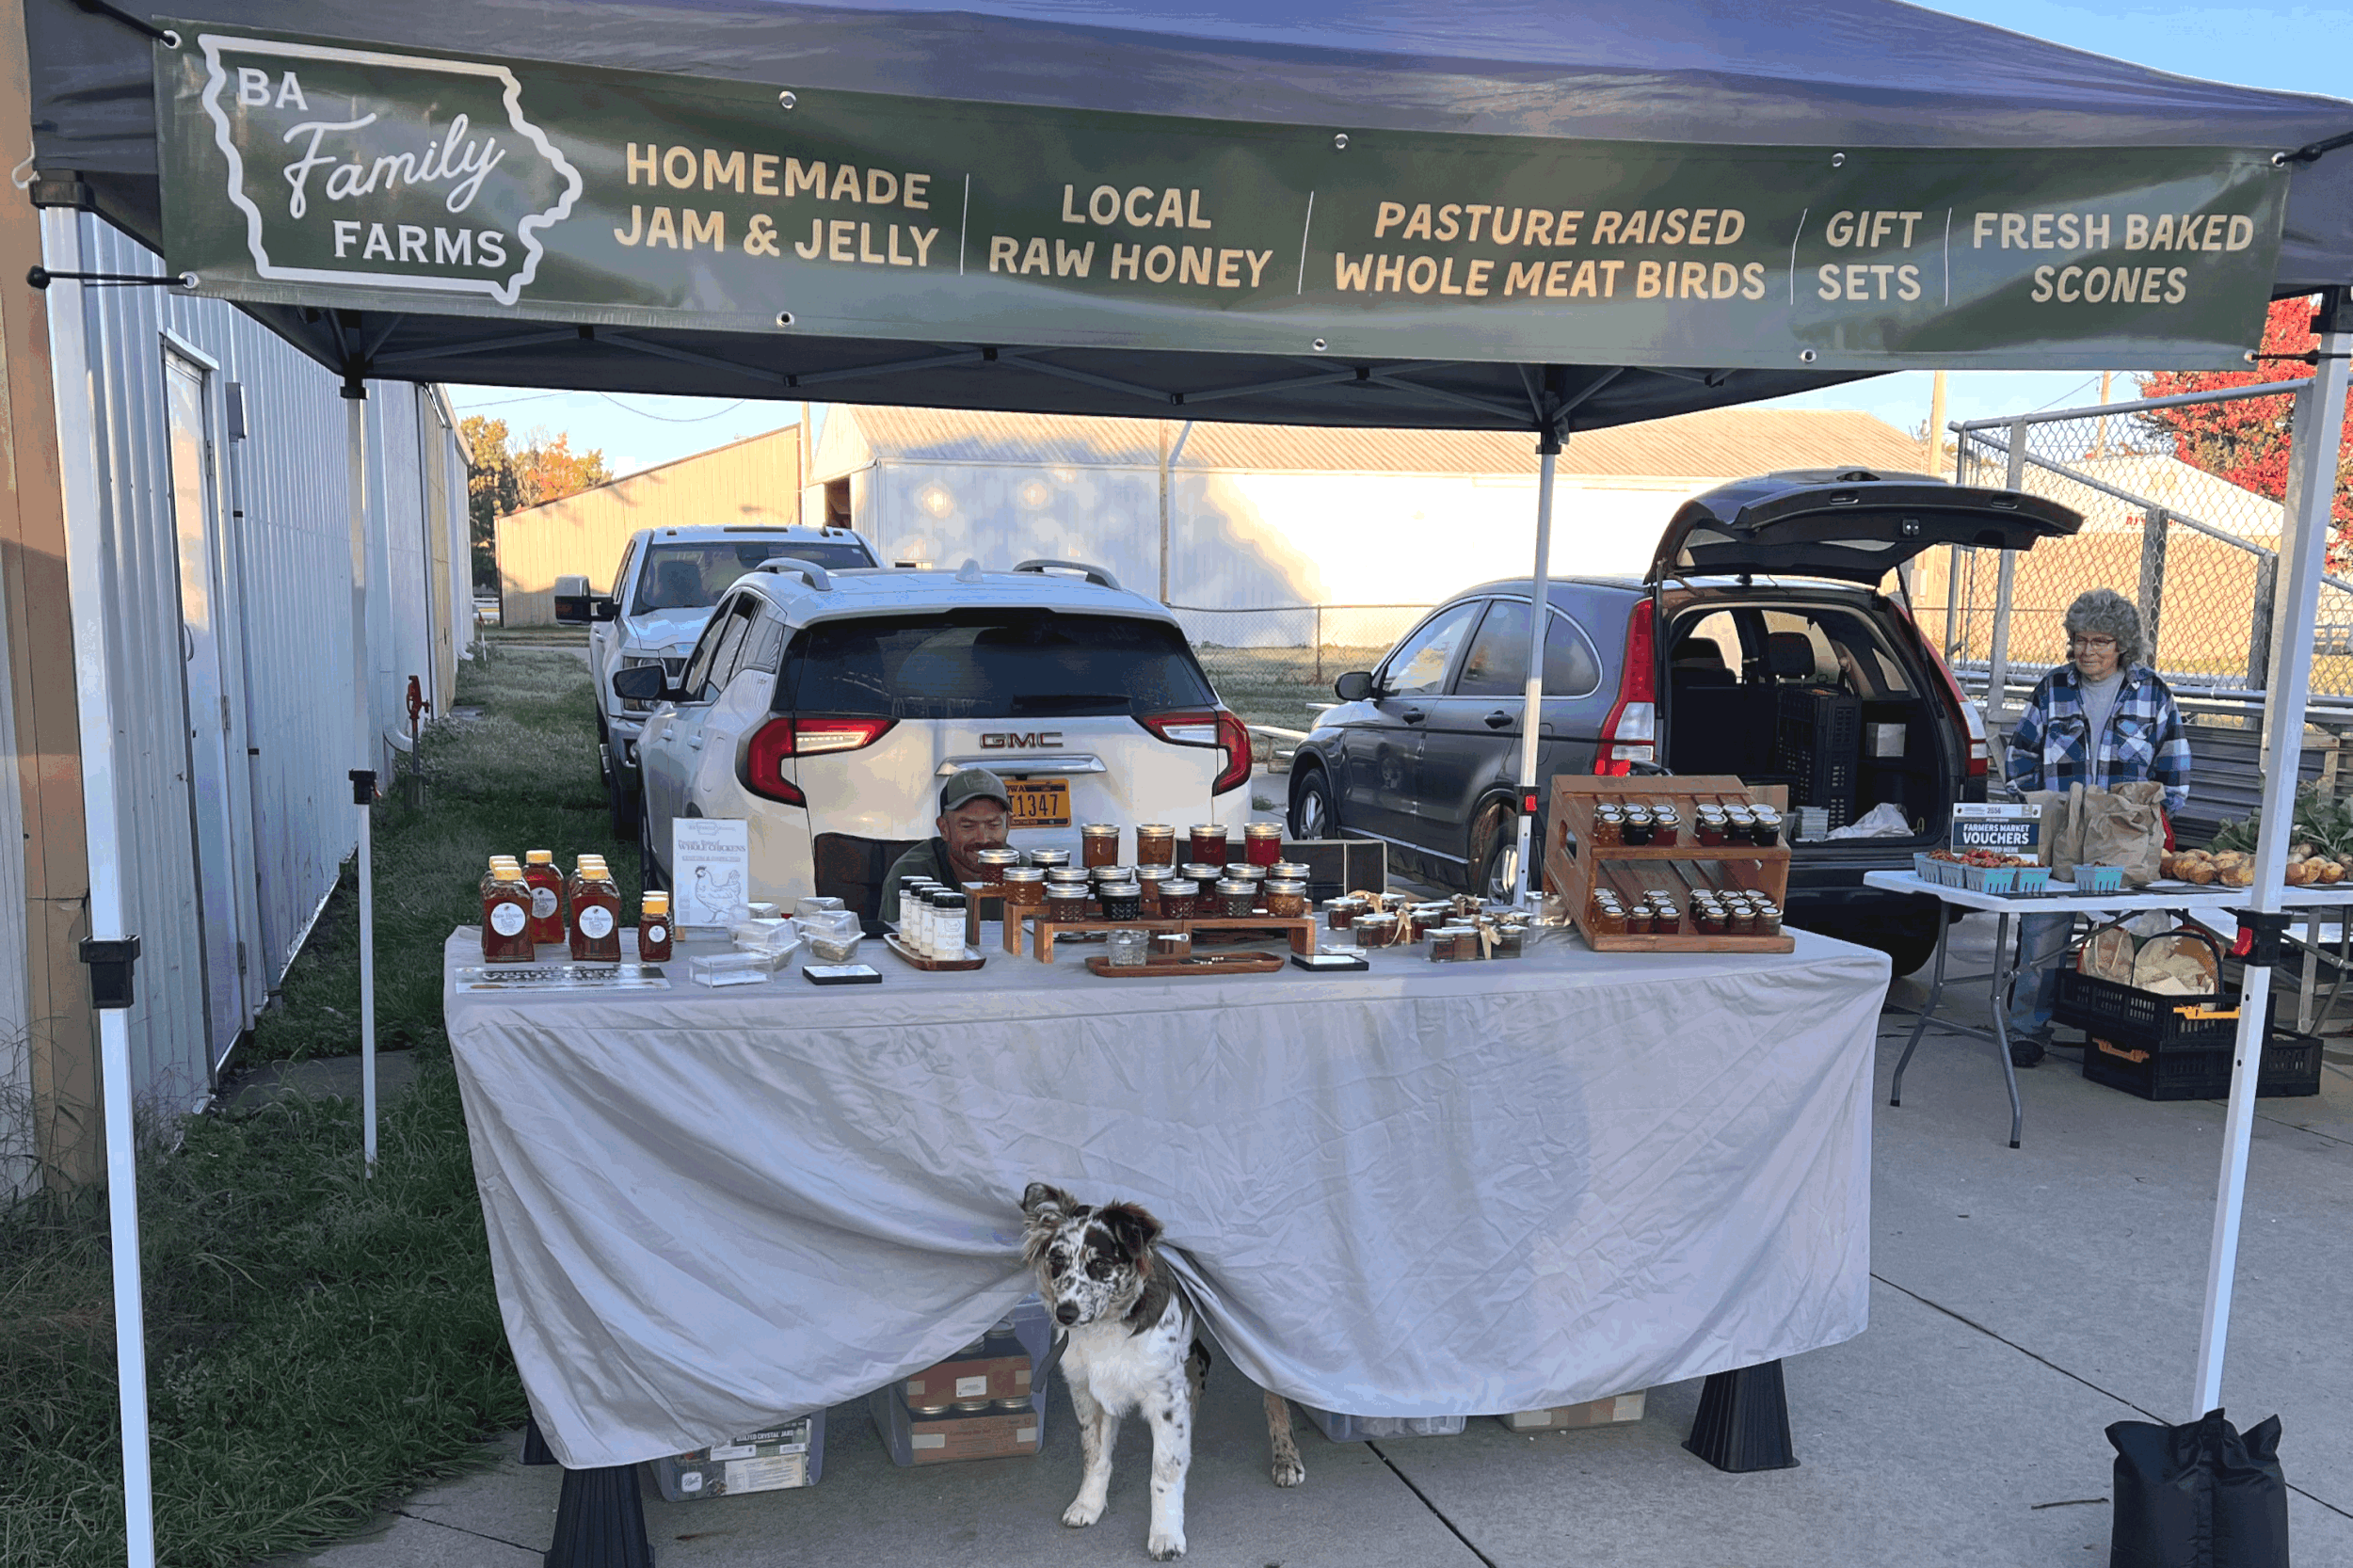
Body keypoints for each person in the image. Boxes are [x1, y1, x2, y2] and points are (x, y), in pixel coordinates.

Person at [2001, 588, 2191, 1066]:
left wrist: (2158, 816)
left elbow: (2174, 759)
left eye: (2100, 641)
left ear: (2122, 645)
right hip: (2063, 831)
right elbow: (2020, 755)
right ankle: (2028, 1030)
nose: (2087, 651)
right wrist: (2033, 802)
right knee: (2044, 929)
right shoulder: (2052, 688)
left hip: (2124, 836)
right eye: (2080, 640)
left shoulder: (2153, 691)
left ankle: (2131, 1029)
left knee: (2140, 930)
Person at [880, 767, 1014, 926]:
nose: (983, 839)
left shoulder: (1024, 877)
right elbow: (895, 943)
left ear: (1008, 824)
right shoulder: (910, 877)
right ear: (944, 829)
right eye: (968, 826)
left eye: (993, 825)